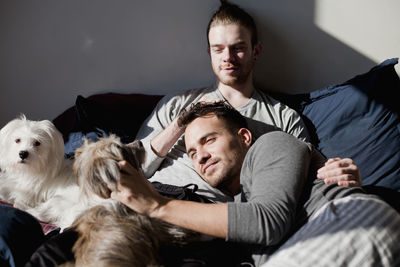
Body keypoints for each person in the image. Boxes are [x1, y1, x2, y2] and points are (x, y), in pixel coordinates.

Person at [110, 102, 400, 266]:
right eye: (193, 153)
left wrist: (158, 206)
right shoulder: (234, 208)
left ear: (244, 137)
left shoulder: (273, 144)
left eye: (209, 140)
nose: (201, 157)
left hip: (345, 224)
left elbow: (268, 222)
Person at [135, 1, 361, 203]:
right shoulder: (176, 104)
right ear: (210, 53)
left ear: (256, 50)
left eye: (238, 48)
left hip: (209, 216)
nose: (228, 57)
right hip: (148, 196)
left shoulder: (282, 118)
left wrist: (339, 174)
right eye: (218, 49)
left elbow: (304, 181)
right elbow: (135, 167)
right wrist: (180, 124)